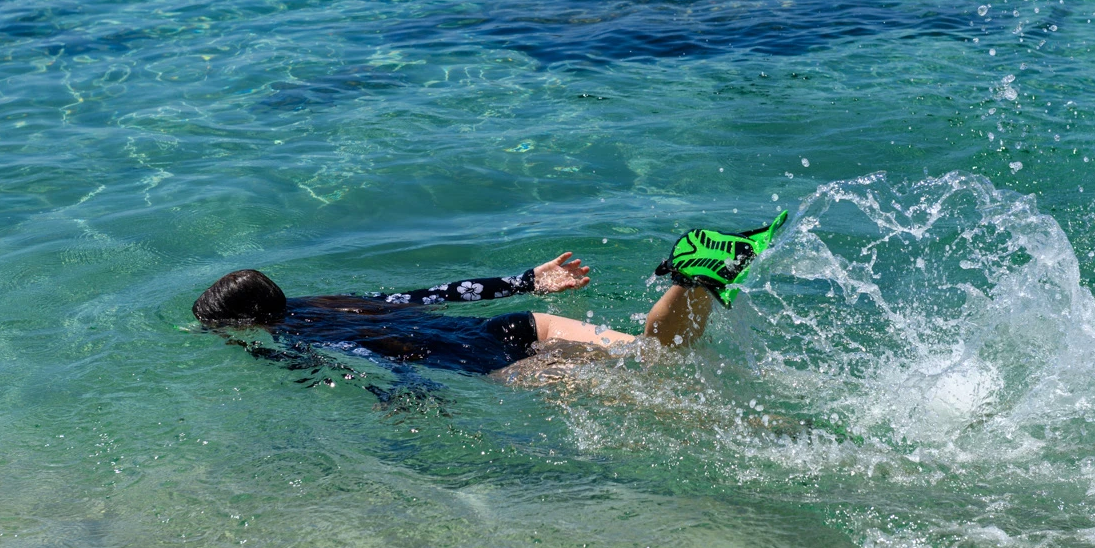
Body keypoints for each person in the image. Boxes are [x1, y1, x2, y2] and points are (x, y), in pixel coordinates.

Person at [192, 211, 787, 386]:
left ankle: (799, 440)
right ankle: (693, 278)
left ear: (244, 322)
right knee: (659, 355)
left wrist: (410, 403)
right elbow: (433, 295)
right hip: (521, 324)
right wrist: (526, 280)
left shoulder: (304, 338)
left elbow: (373, 365)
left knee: (661, 400)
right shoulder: (340, 302)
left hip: (502, 362)